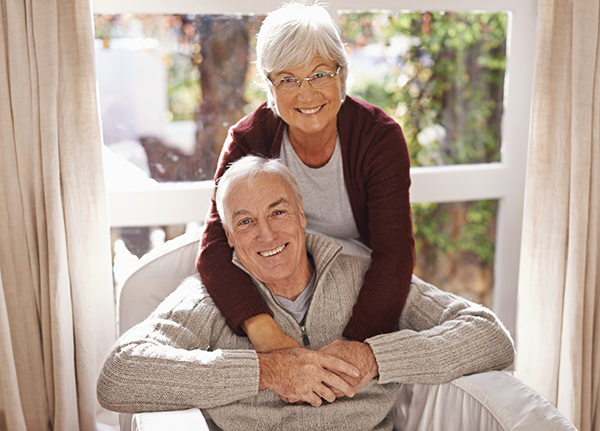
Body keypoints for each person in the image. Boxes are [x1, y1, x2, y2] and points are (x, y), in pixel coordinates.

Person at [98, 156, 515, 430]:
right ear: (228, 236)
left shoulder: (367, 281)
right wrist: (266, 371)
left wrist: (375, 358)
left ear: (300, 212)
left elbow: (488, 334)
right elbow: (119, 376)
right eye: (245, 222)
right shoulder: (206, 299)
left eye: (278, 212)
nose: (266, 234)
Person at [197, 1, 415, 354]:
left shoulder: (379, 138)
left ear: (341, 73)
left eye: (319, 74)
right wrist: (262, 329)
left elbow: (395, 254)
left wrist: (353, 346)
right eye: (288, 79)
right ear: (270, 84)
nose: (307, 93)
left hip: (354, 288)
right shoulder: (248, 140)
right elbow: (215, 247)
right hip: (274, 291)